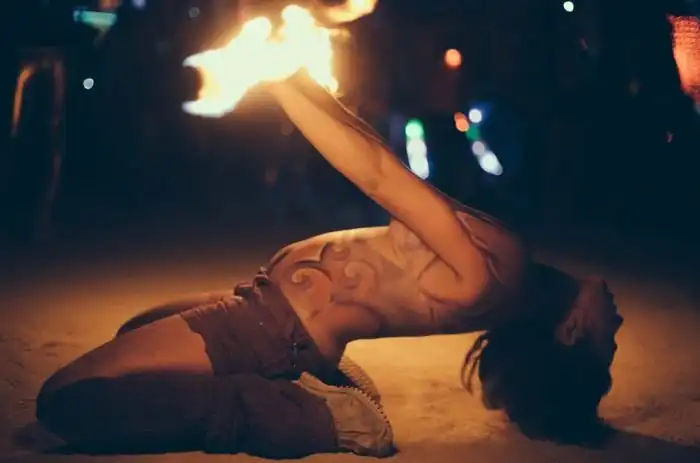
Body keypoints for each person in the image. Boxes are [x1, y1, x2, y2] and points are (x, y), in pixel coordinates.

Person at [35, 72, 623, 457]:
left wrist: (280, 83)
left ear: (570, 331)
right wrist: (304, 77)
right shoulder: (510, 269)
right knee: (136, 331)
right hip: (269, 310)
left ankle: (310, 416)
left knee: (68, 400)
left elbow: (379, 175)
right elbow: (382, 158)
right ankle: (319, 377)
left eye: (608, 339)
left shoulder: (498, 275)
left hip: (274, 329)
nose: (618, 322)